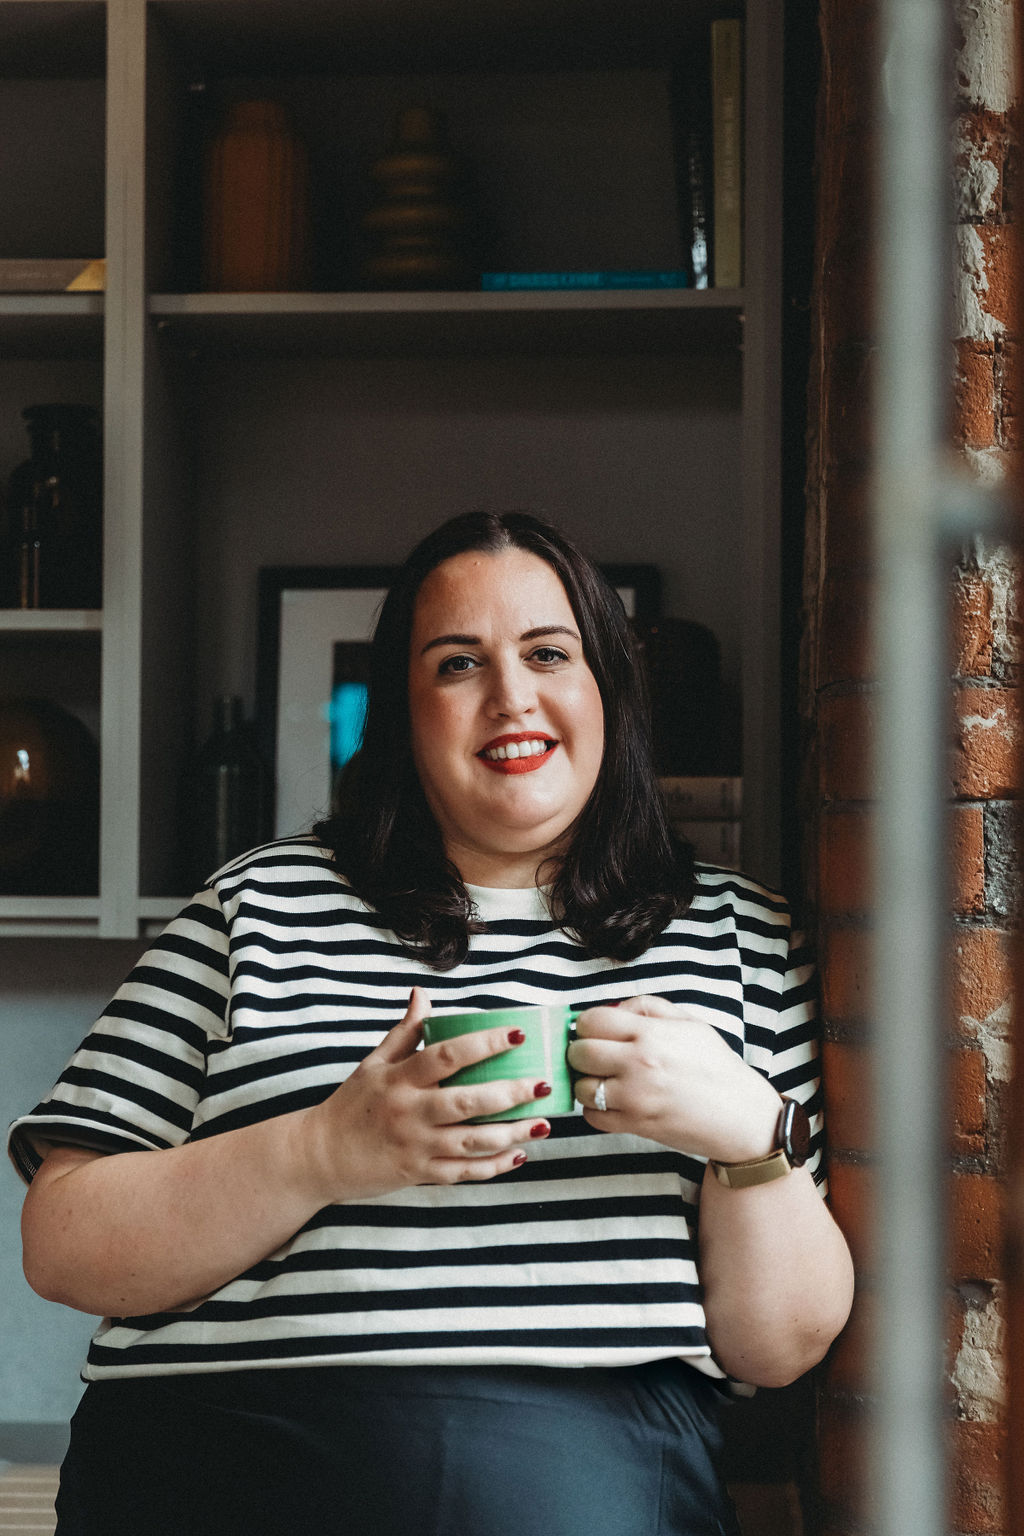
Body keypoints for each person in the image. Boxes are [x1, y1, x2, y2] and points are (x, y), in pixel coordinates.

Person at [9, 511, 854, 1536]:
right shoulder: (256, 906)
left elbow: (781, 1347)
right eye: (457, 664)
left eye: (549, 652)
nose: (511, 695)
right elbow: (62, 1244)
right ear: (403, 715)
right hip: (206, 1461)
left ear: (607, 692)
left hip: (593, 1464)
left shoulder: (738, 935)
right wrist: (325, 1149)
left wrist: (748, 1137)